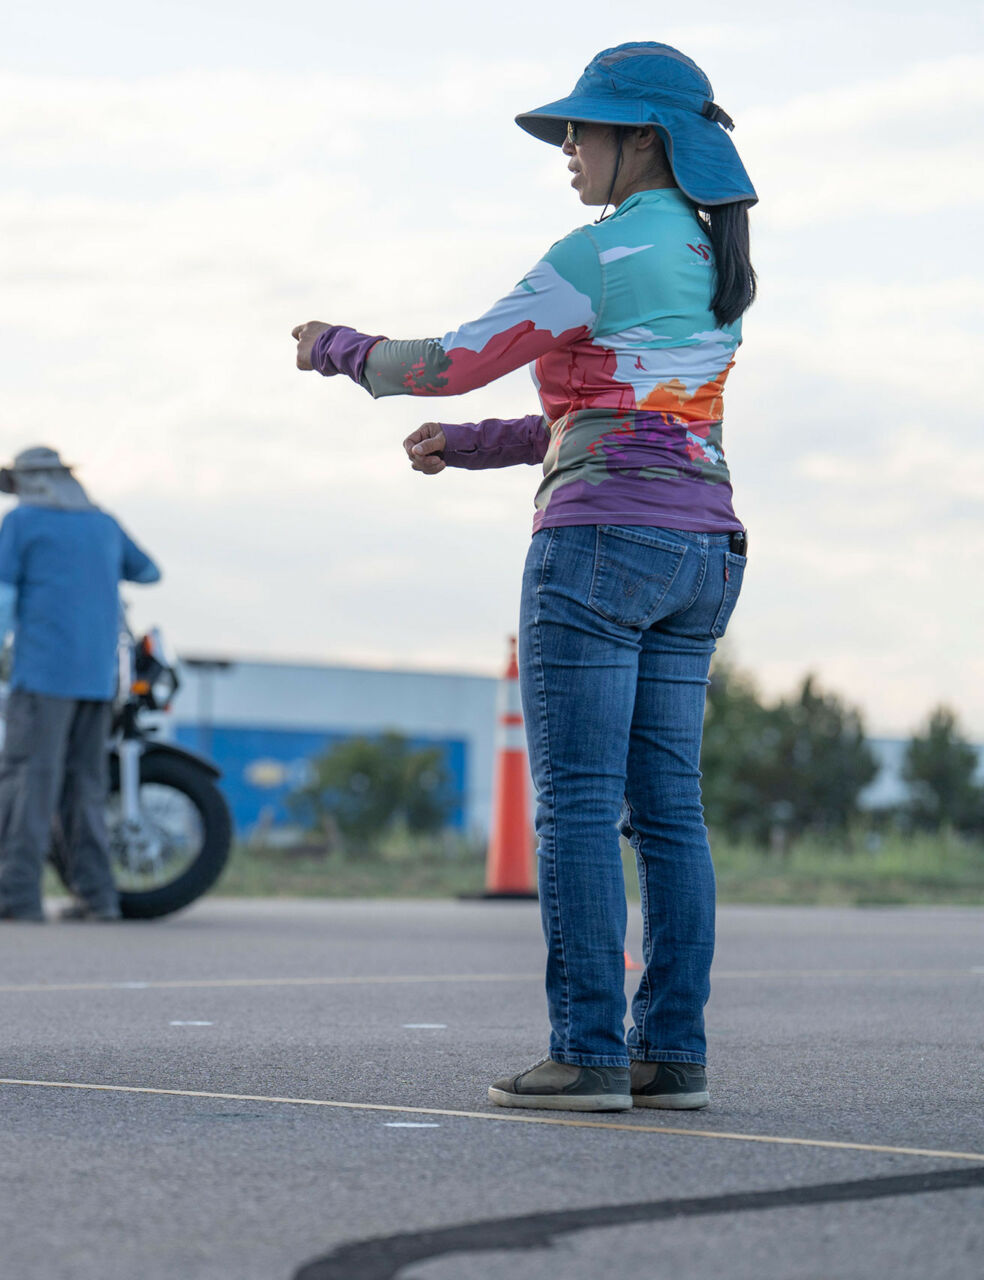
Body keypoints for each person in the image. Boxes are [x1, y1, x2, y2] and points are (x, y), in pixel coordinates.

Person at [293, 43, 755, 1112]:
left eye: (583, 132)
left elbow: (446, 357)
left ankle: (588, 1050)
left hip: (599, 546)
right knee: (670, 813)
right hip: (702, 545)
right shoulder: (713, 262)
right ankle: (670, 1051)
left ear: (644, 139)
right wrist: (471, 445)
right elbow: (622, 416)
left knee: (580, 806)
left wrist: (337, 346)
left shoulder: (602, 252)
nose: (568, 151)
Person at [0, 447, 160, 922]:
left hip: (41, 677)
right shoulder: (104, 524)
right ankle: (98, 898)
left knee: (26, 784)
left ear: (27, 483)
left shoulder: (21, 523)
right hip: (97, 681)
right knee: (86, 789)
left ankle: (17, 896)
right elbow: (149, 571)